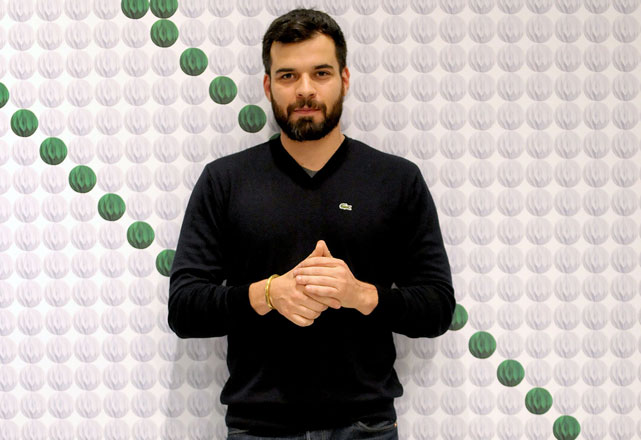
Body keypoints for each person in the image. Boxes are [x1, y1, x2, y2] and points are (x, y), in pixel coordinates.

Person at [168, 8, 455, 440]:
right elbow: (184, 308)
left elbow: (437, 307)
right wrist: (267, 294)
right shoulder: (225, 181)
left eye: (320, 73)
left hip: (366, 426)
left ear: (345, 79)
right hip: (258, 427)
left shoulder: (396, 180)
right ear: (268, 86)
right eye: (288, 76)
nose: (305, 90)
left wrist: (360, 295)